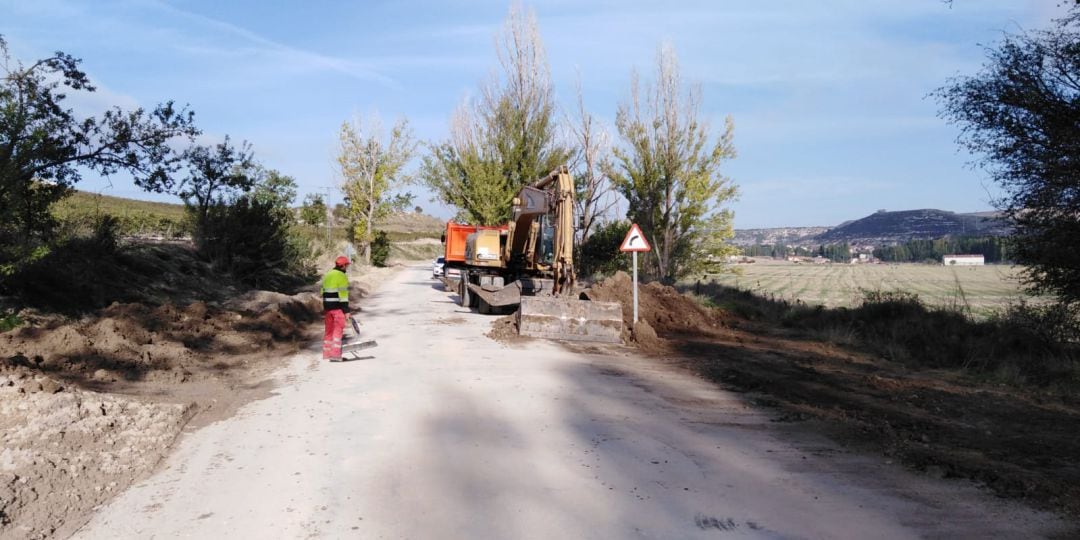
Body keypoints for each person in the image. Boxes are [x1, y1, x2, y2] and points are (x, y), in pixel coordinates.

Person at [321, 255, 352, 362]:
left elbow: (322, 292)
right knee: (338, 330)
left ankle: (327, 354)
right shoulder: (342, 276)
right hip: (337, 308)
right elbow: (343, 295)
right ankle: (335, 355)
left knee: (329, 331)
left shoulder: (328, 275)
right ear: (343, 266)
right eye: (346, 265)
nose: (347, 267)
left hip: (327, 308)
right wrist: (346, 311)